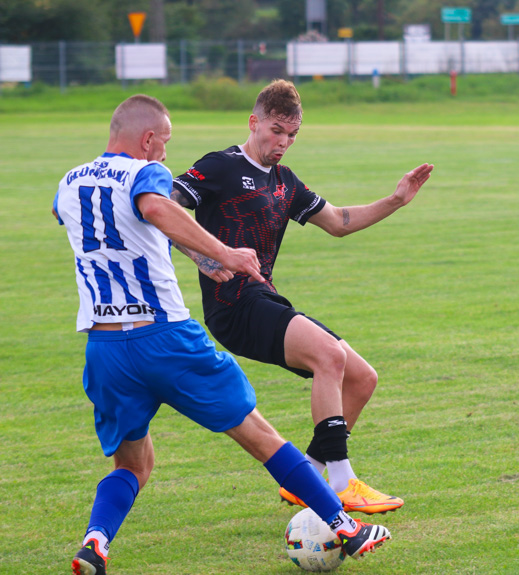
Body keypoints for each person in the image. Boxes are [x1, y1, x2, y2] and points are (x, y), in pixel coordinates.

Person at [54, 94, 391, 575]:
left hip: (105, 348)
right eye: (164, 143)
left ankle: (94, 542)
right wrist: (225, 254)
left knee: (132, 466)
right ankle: (347, 527)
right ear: (148, 139)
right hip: (164, 336)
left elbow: (68, 216)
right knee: (261, 435)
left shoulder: (69, 183)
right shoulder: (146, 175)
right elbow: (157, 206)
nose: (165, 154)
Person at [171, 79, 433, 515]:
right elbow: (165, 204)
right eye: (276, 130)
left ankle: (305, 477)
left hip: (265, 299)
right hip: (233, 304)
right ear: (254, 122)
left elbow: (339, 222)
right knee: (329, 356)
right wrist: (204, 255)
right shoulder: (219, 166)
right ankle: (342, 481)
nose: (283, 142)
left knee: (361, 378)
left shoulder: (285, 182)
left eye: (292, 135)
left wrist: (396, 200)